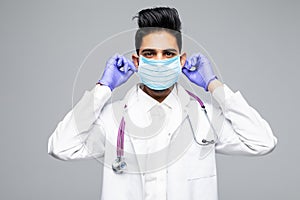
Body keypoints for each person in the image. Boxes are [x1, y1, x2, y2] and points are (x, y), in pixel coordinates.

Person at [48, 7, 277, 200]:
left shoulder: (205, 115)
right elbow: (61, 147)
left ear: (181, 60)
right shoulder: (112, 118)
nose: (159, 61)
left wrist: (213, 84)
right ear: (137, 61)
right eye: (150, 53)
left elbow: (262, 142)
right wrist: (103, 88)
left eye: (168, 54)